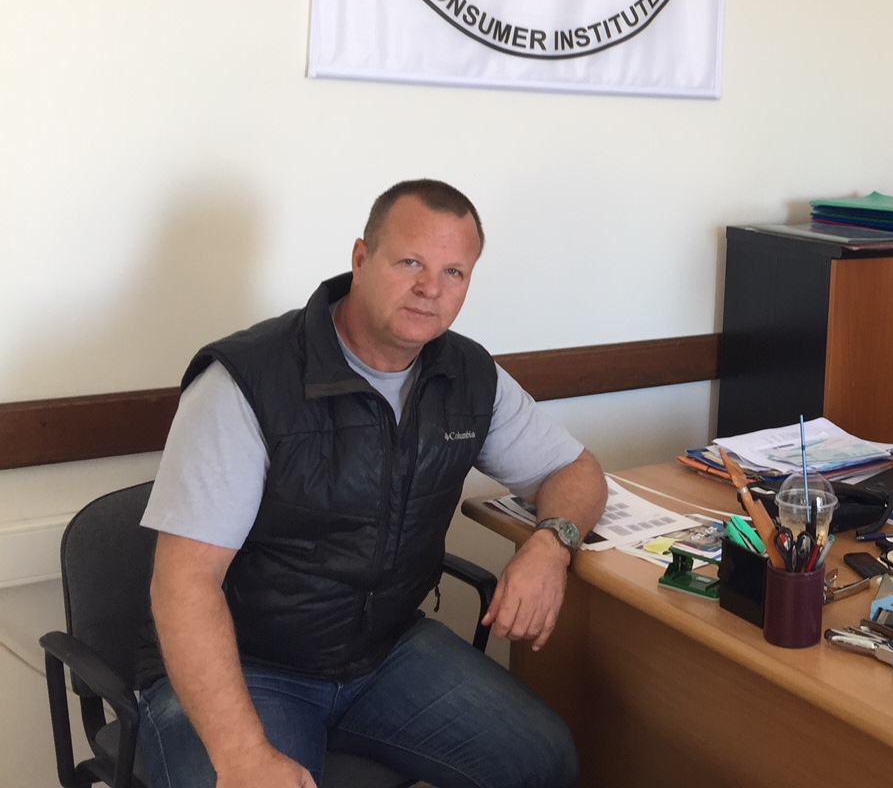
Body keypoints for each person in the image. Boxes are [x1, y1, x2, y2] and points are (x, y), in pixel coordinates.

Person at [135, 179, 607, 788]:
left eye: (454, 272)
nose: (430, 288)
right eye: (410, 262)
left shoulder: (467, 375)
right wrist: (244, 753)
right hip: (248, 663)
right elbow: (184, 582)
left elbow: (575, 470)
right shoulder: (246, 382)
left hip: (384, 653)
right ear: (361, 259)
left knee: (543, 758)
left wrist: (551, 544)